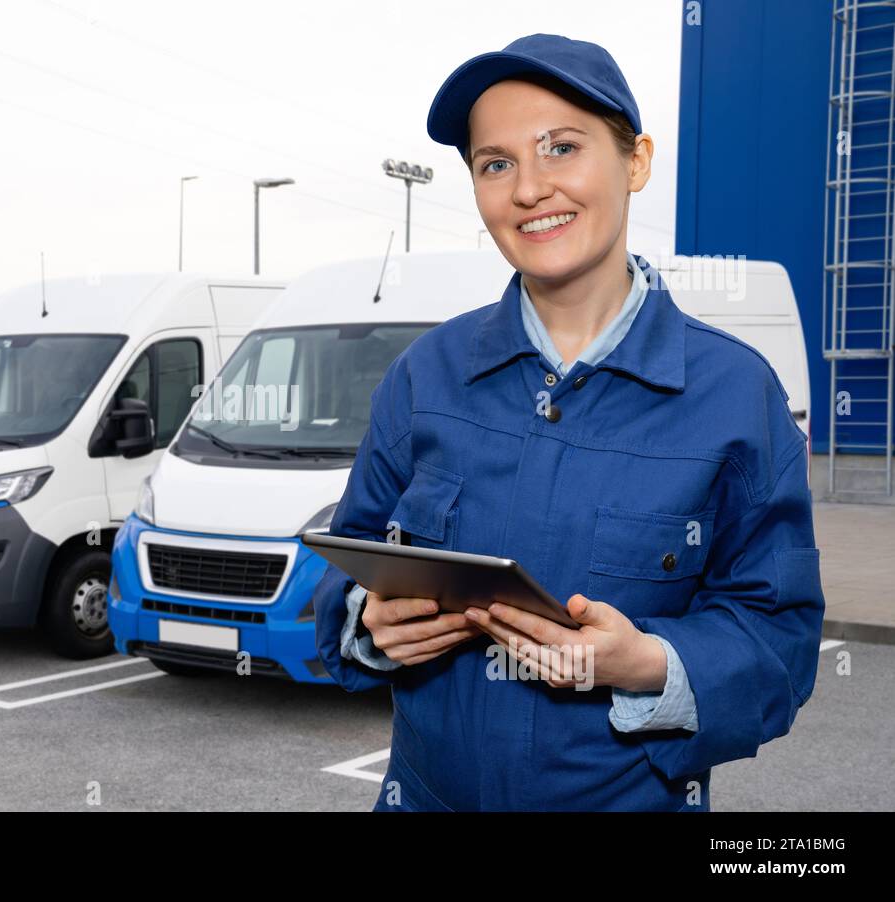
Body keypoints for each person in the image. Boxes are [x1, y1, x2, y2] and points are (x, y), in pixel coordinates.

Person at [312, 33, 825, 812]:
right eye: (496, 163)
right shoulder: (424, 376)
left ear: (637, 162)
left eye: (561, 147)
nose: (528, 188)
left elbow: (780, 643)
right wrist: (367, 622)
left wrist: (650, 662)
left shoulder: (737, 398)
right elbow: (343, 576)